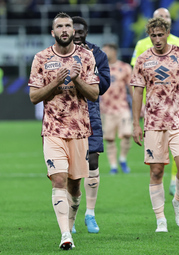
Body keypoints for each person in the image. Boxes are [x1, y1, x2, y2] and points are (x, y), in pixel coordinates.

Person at [28, 12, 100, 250]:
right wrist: (55, 83)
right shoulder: (41, 58)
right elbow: (33, 97)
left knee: (75, 186)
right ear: (53, 32)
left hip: (79, 130)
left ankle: (71, 220)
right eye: (60, 26)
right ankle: (65, 235)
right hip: (52, 129)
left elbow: (94, 94)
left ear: (72, 30)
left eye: (68, 25)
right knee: (58, 180)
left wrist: (77, 80)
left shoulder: (87, 56)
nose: (65, 29)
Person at [131, 17, 179, 232]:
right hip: (153, 123)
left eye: (160, 34)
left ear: (168, 33)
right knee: (156, 172)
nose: (157, 39)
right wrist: (136, 123)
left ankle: (178, 202)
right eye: (153, 35)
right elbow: (137, 92)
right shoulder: (143, 60)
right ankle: (160, 219)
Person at [131, 7, 179, 197]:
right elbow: (136, 79)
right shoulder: (142, 45)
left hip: (178, 106)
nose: (164, 18)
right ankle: (161, 212)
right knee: (156, 163)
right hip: (154, 110)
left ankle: (175, 180)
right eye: (160, 17)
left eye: (166, 17)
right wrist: (138, 107)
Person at [71, 16, 110, 234]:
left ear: (86, 32)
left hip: (90, 112)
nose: (76, 33)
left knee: (93, 160)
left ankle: (90, 214)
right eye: (72, 29)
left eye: (80, 30)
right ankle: (71, 215)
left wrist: (87, 70)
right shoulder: (56, 54)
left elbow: (103, 85)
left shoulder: (98, 54)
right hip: (65, 116)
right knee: (70, 169)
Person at [101, 43, 133, 174]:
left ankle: (123, 159)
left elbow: (131, 87)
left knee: (127, 134)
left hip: (122, 107)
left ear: (114, 51)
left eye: (106, 51)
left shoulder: (124, 67)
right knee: (109, 139)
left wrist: (139, 104)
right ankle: (113, 166)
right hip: (106, 109)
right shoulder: (100, 68)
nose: (104, 53)